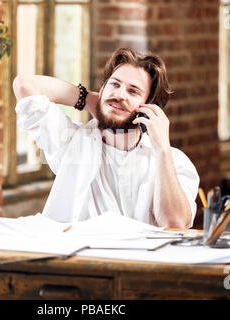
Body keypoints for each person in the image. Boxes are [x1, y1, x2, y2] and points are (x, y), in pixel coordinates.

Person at [13, 48, 200, 228]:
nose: (119, 95)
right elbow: (24, 84)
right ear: (102, 89)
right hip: (80, 259)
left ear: (150, 108)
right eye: (114, 84)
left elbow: (174, 223)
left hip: (142, 260)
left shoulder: (175, 161)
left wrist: (162, 149)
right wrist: (89, 100)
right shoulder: (71, 142)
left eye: (133, 91)